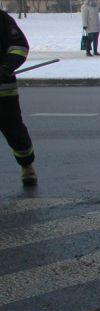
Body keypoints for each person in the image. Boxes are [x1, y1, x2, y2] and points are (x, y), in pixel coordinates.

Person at [1, 10, 36, 186]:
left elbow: (19, 46)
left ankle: (27, 165)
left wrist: (6, 67)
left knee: (14, 131)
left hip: (3, 92)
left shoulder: (2, 19)